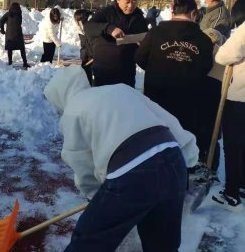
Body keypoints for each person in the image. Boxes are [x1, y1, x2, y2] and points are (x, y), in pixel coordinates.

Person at [44, 65, 198, 251]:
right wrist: (189, 157)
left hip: (133, 172)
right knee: (162, 243)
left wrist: (96, 197)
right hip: (174, 160)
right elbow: (168, 120)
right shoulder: (121, 89)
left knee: (89, 240)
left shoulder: (72, 112)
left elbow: (80, 160)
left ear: (59, 97)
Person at [135, 0, 213, 146]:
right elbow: (206, 67)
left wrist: (155, 69)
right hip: (187, 96)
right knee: (181, 135)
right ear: (193, 14)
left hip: (156, 92)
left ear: (173, 12)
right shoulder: (203, 39)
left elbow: (139, 57)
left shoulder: (155, 33)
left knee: (157, 132)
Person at [212, 0, 245, 210]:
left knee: (233, 144)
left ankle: (232, 193)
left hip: (240, 97)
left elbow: (224, 56)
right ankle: (242, 184)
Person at [86, 0, 148, 87]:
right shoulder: (106, 12)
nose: (131, 6)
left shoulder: (139, 17)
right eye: (127, 2)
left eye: (134, 1)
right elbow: (88, 27)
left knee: (124, 101)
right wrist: (109, 28)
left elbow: (144, 35)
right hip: (104, 69)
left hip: (127, 71)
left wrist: (143, 43)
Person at [197, 28, 226, 173]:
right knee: (209, 132)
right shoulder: (221, 56)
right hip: (212, 94)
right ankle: (209, 163)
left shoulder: (201, 52)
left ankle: (208, 162)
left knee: (206, 131)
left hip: (209, 94)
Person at [0, 2, 30, 68]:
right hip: (18, 34)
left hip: (10, 34)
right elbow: (19, 23)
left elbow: (1, 21)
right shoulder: (19, 15)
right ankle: (25, 63)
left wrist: (2, 30)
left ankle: (10, 62)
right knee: (22, 48)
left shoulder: (8, 14)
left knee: (10, 48)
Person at [74, 9, 93, 85]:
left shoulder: (90, 30)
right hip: (86, 58)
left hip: (92, 58)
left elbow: (88, 45)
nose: (75, 22)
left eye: (76, 20)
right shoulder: (81, 30)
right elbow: (84, 46)